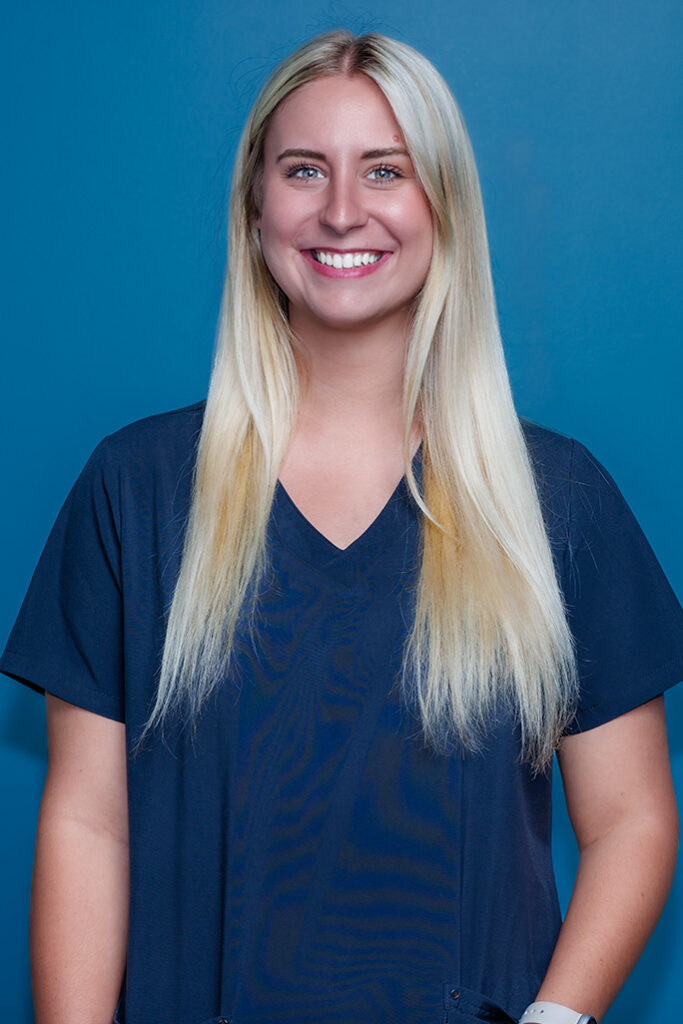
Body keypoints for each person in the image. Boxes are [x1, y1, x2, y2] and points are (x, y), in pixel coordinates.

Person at [2, 29, 683, 1024]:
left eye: (384, 171)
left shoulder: (557, 502)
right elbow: (86, 818)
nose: (340, 210)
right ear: (253, 207)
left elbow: (630, 818)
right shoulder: (134, 489)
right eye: (303, 169)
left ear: (442, 205)